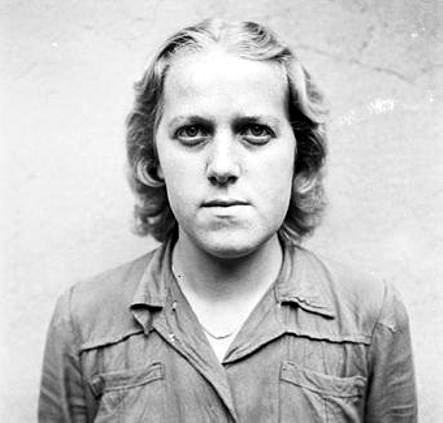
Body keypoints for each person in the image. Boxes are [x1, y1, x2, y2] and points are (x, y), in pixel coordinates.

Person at [38, 18, 417, 422]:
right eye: (192, 132)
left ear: (300, 156)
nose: (222, 167)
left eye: (255, 131)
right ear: (154, 157)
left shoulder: (371, 315)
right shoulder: (82, 320)